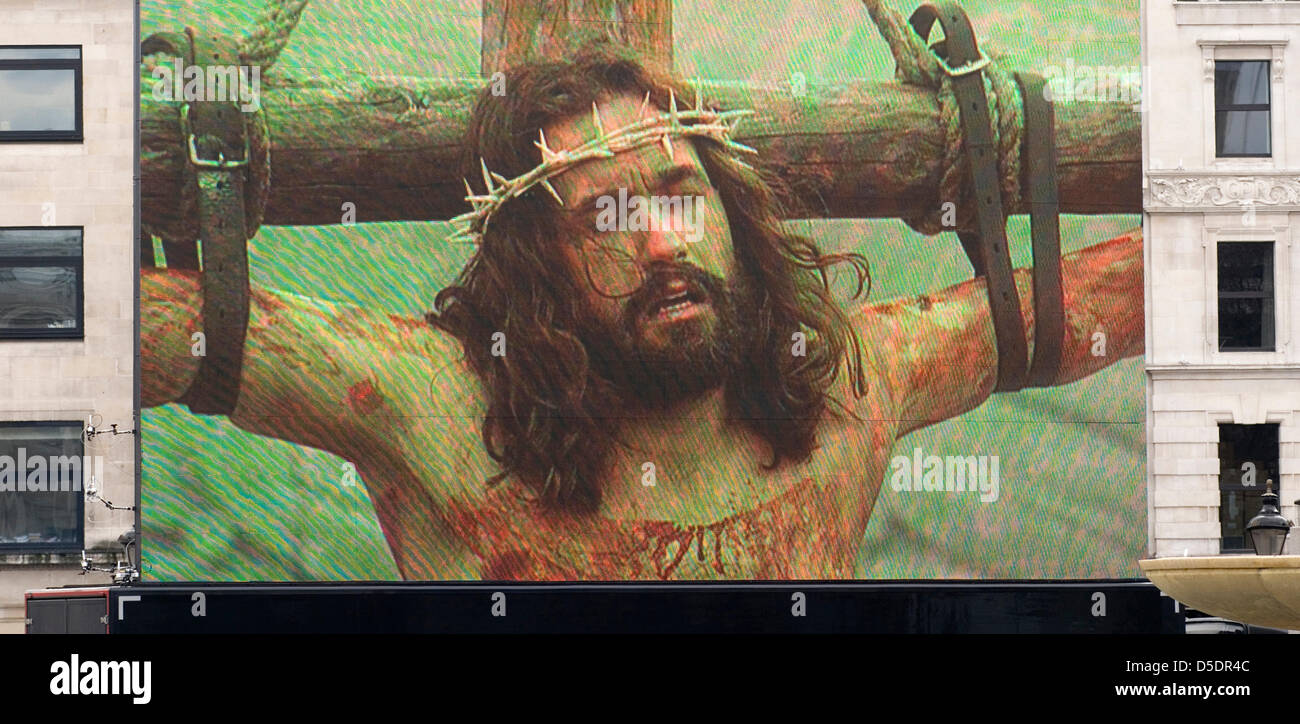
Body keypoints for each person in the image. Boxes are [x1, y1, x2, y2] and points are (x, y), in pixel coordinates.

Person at [141, 41, 1144, 580]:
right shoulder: (434, 409)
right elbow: (158, 329)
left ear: (730, 210)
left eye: (679, 194)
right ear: (537, 269)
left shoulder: (846, 383)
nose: (662, 243)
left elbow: (1083, 306)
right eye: (606, 220)